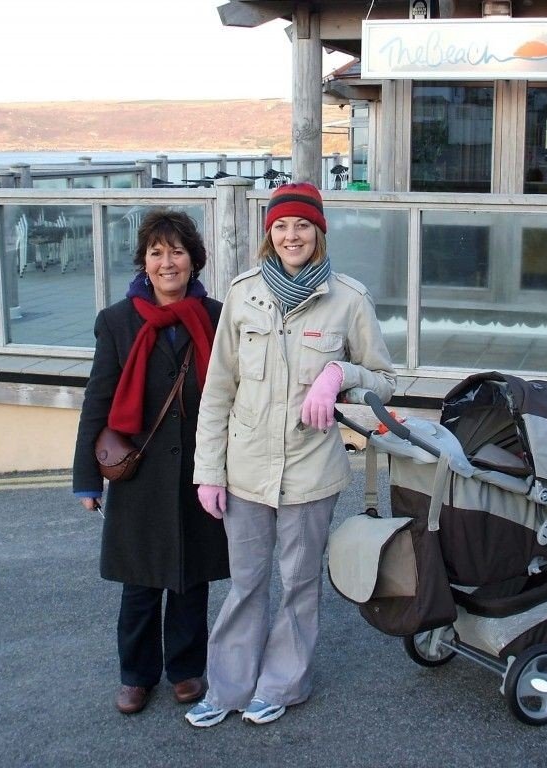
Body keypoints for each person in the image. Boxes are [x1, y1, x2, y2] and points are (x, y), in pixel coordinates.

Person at [186, 183, 396, 727]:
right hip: (245, 470)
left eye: (301, 225)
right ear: (269, 234)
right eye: (281, 226)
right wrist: (208, 473)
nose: (291, 235)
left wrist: (338, 374)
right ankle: (227, 687)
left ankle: (283, 681)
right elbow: (218, 390)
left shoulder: (348, 299)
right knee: (246, 582)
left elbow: (387, 380)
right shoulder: (243, 293)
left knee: (300, 583)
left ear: (318, 232)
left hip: (310, 472)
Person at [72, 208, 229, 715]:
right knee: (139, 583)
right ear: (143, 261)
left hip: (199, 469)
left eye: (177, 252)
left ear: (193, 261)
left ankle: (186, 669)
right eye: (157, 252)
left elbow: (237, 394)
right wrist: (85, 478)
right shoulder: (117, 322)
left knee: (191, 578)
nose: (167, 262)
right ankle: (136, 675)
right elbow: (98, 400)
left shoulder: (217, 317)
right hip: (138, 473)